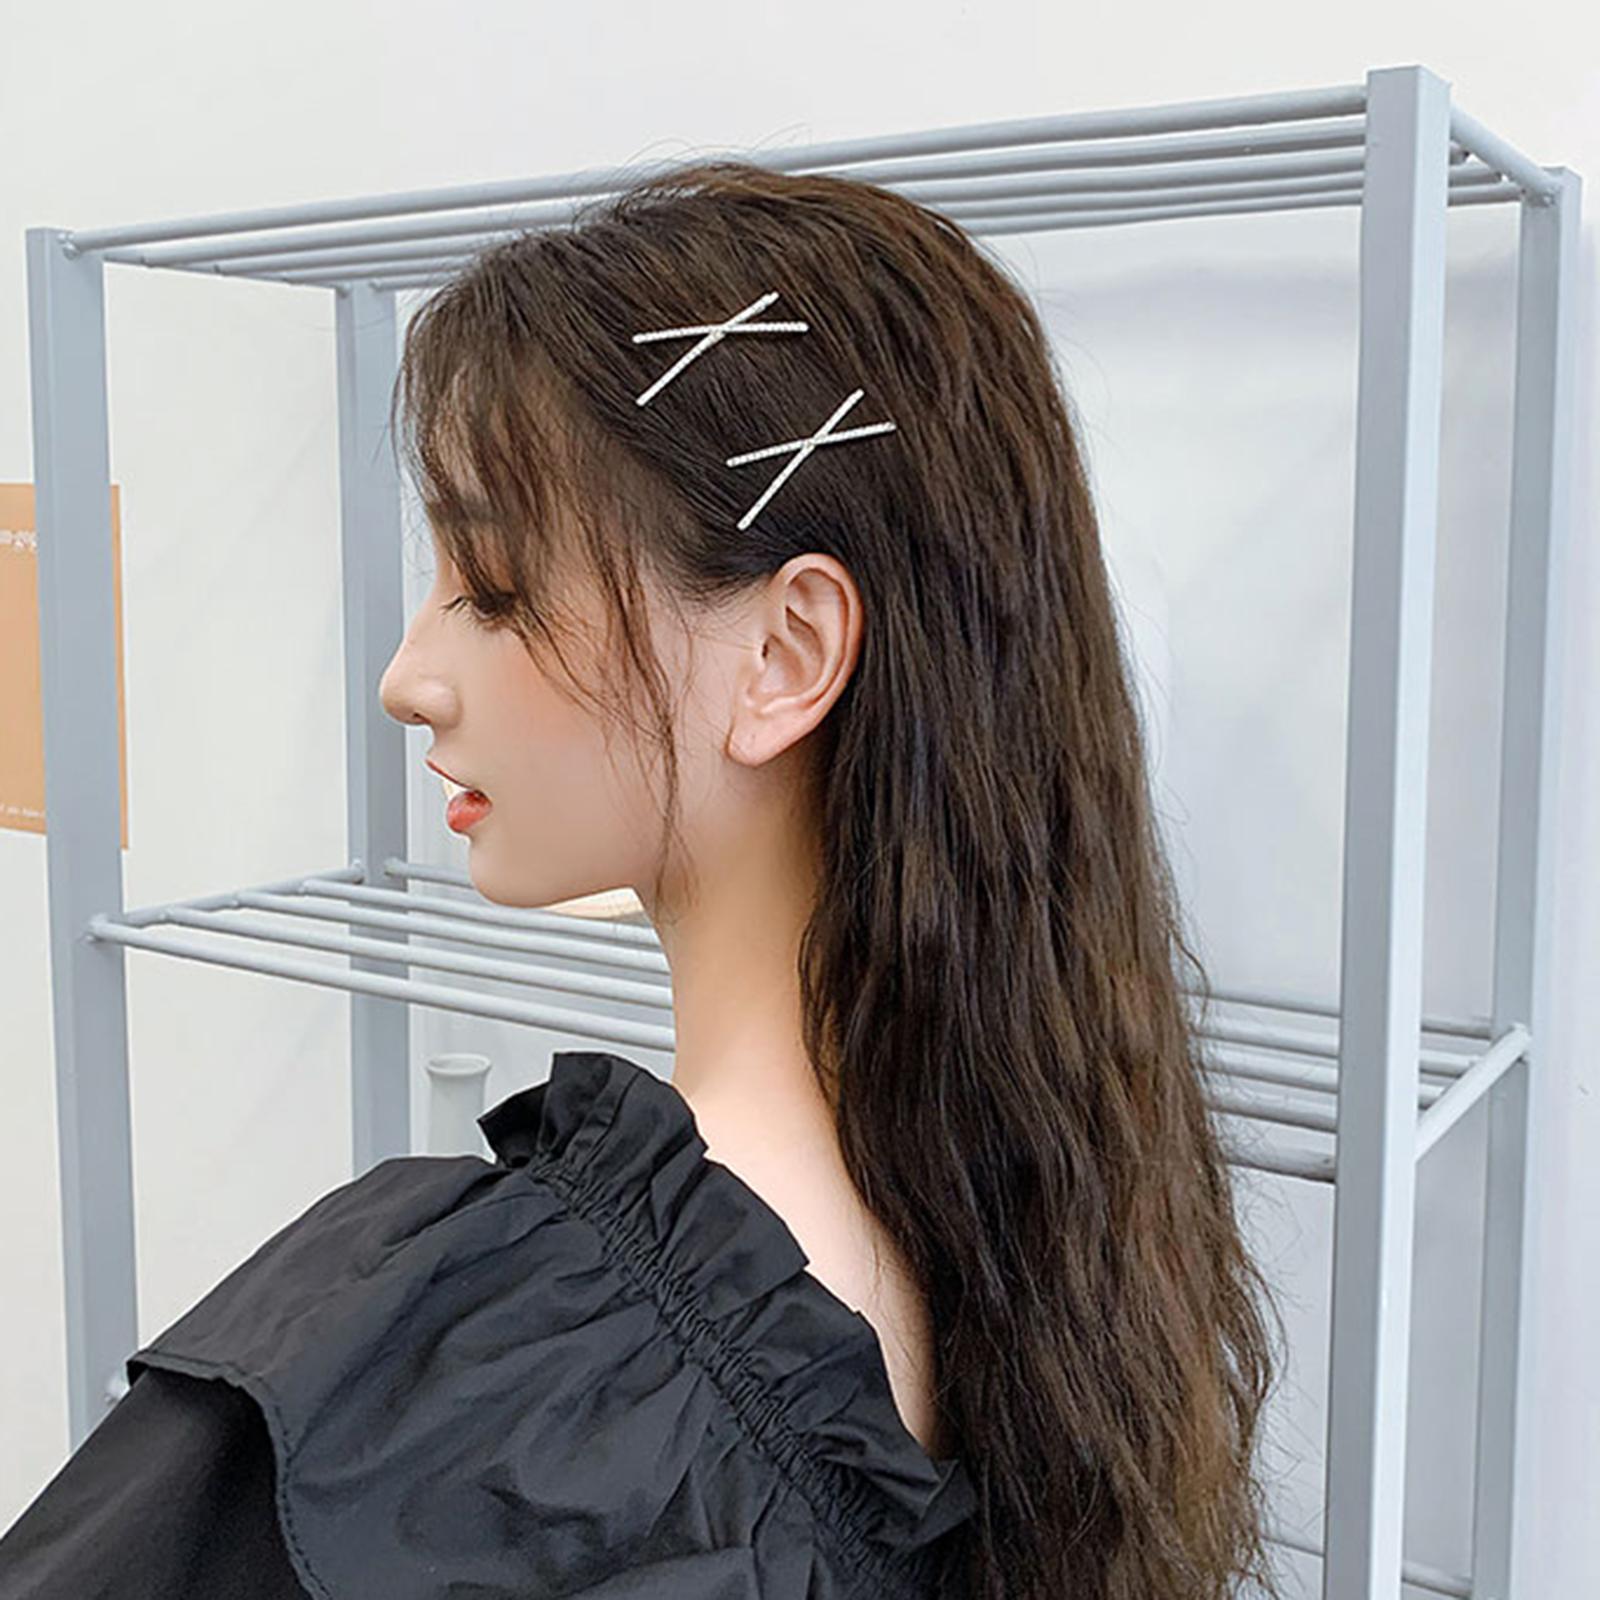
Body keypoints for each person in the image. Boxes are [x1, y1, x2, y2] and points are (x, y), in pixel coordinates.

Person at [0, 158, 1286, 1600]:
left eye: (492, 589)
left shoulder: (529, 1363)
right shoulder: (1047, 1233)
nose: (409, 677)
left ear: (784, 655)